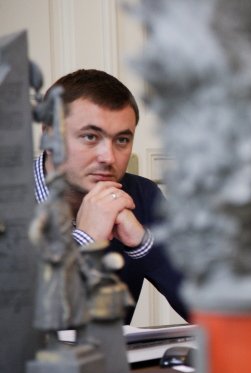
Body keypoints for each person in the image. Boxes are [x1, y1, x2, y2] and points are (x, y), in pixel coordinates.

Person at [33, 69, 187, 323]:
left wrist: (143, 243)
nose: (109, 157)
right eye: (90, 137)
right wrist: (85, 242)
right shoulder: (9, 201)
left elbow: (205, 309)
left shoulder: (142, 196)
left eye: (122, 140)